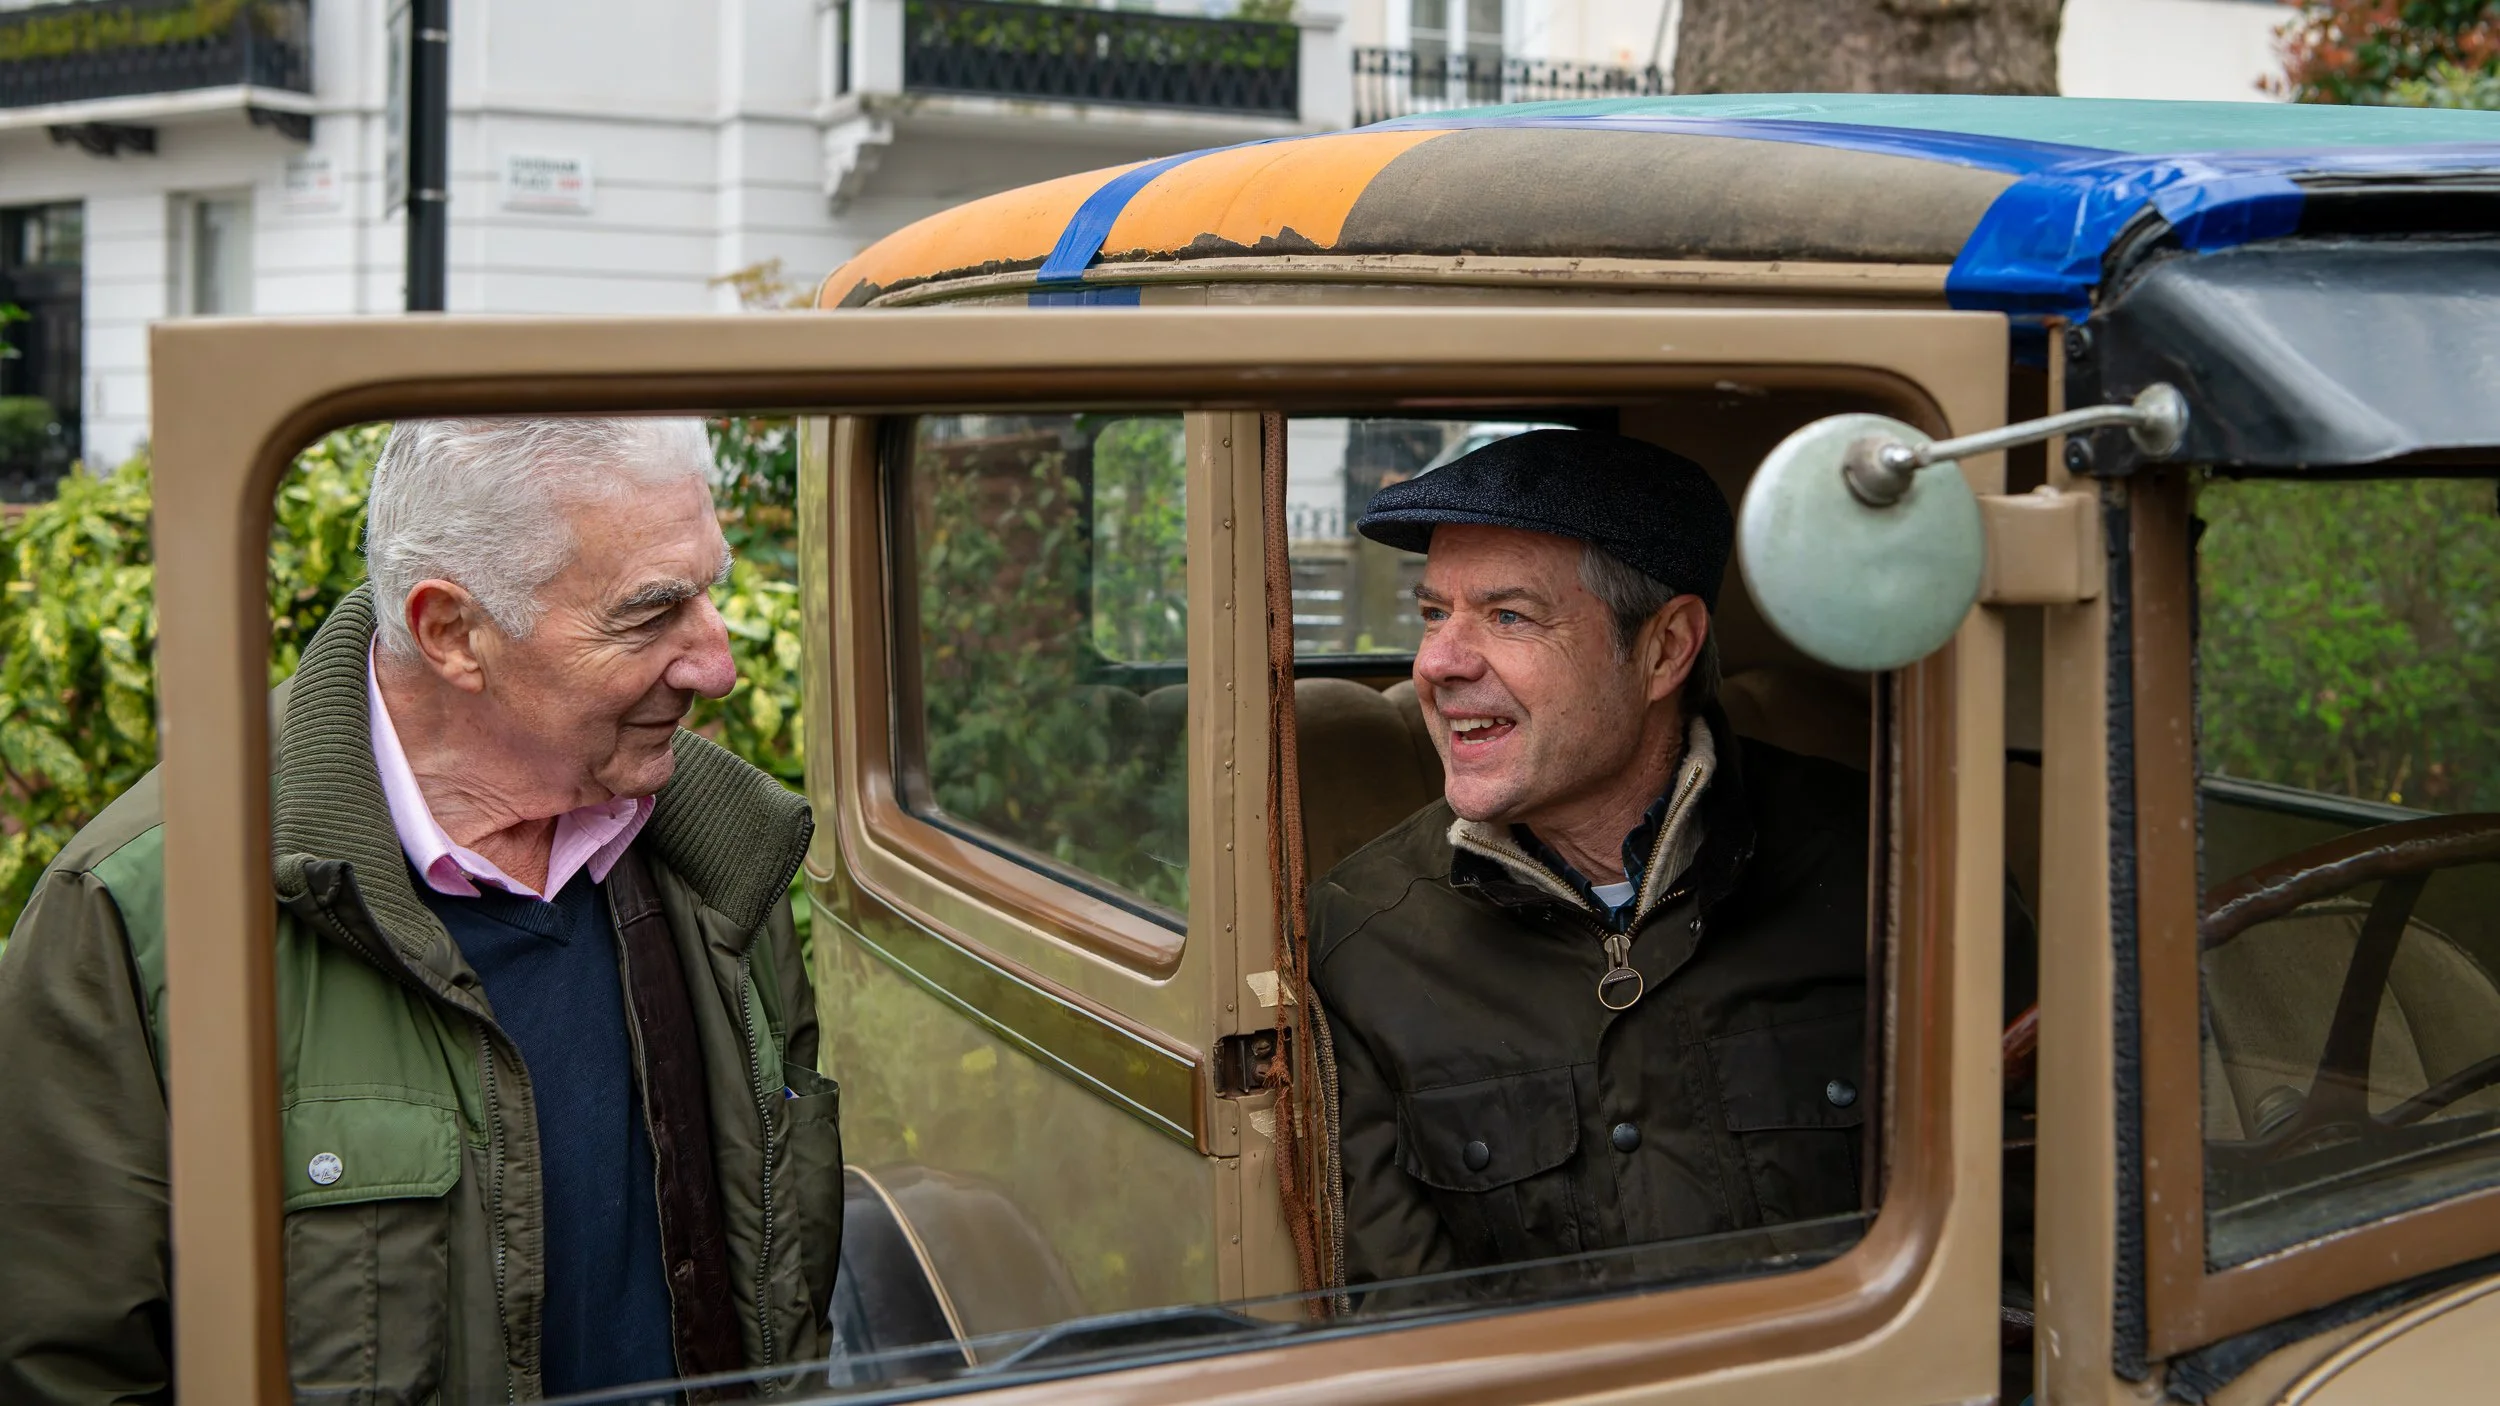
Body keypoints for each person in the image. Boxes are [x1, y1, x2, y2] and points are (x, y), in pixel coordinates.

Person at [0, 419, 842, 1401]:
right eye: (650, 614)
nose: (717, 662)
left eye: (710, 592)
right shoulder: (143, 912)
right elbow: (64, 1370)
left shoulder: (721, 854)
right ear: (450, 631)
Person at [1310, 429, 1869, 1301]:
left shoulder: (1885, 868)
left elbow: (2023, 1229)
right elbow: (1405, 1326)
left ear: (1665, 648)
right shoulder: (1361, 934)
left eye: (1507, 616)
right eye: (1432, 613)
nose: (1437, 663)